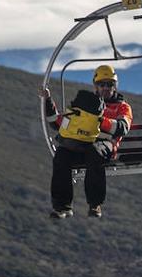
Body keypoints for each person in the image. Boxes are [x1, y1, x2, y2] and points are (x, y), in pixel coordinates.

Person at [40, 64, 133, 219]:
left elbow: (123, 127)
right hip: (81, 144)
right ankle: (62, 206)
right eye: (101, 84)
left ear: (115, 86)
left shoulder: (122, 107)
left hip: (105, 145)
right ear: (95, 86)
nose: (105, 88)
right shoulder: (86, 104)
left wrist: (98, 121)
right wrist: (48, 101)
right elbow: (58, 123)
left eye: (109, 84)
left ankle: (94, 203)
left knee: (94, 153)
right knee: (61, 156)